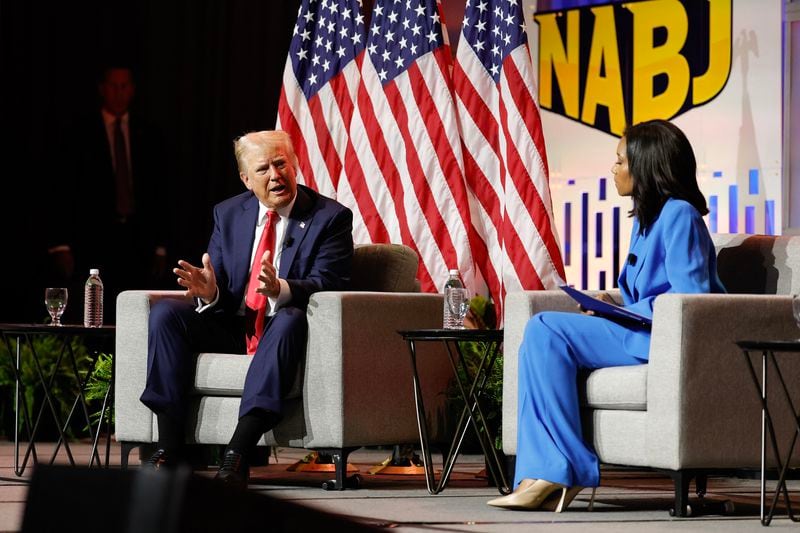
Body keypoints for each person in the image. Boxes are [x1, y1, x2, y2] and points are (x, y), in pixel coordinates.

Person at [488, 119, 726, 512]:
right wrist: (610, 305)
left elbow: (691, 299)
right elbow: (647, 292)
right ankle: (537, 473)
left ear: (645, 164)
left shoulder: (680, 214)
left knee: (546, 327)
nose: (613, 169)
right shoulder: (647, 221)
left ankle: (562, 470)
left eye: (619, 160)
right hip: (638, 330)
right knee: (540, 335)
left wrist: (620, 312)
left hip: (662, 340)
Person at [139, 130, 353, 487]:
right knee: (165, 314)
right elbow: (219, 281)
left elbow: (331, 282)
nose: (275, 175)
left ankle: (238, 452)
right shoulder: (229, 214)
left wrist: (281, 289)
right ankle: (169, 449)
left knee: (288, 319)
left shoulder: (329, 218)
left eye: (281, 163)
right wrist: (210, 293)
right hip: (234, 328)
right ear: (246, 179)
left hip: (285, 332)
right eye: (263, 168)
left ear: (295, 164)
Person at [49, 65, 169, 323]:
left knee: (134, 313)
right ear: (103, 89)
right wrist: (60, 244)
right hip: (92, 235)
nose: (119, 93)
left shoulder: (147, 133)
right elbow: (62, 188)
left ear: (132, 90)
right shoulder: (79, 132)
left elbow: (160, 191)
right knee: (93, 309)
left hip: (138, 239)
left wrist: (160, 246)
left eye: (124, 86)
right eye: (114, 86)